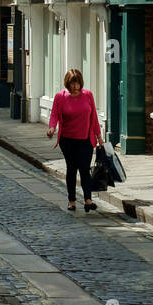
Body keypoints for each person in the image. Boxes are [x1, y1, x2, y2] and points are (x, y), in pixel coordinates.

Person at [46, 68, 103, 213]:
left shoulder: (88, 95)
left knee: (84, 169)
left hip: (86, 139)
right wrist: (52, 128)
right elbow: (54, 115)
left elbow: (94, 118)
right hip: (68, 140)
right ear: (67, 83)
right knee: (71, 169)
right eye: (72, 83)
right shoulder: (60, 97)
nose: (75, 86)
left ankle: (88, 200)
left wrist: (99, 136)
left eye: (77, 83)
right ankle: (71, 201)